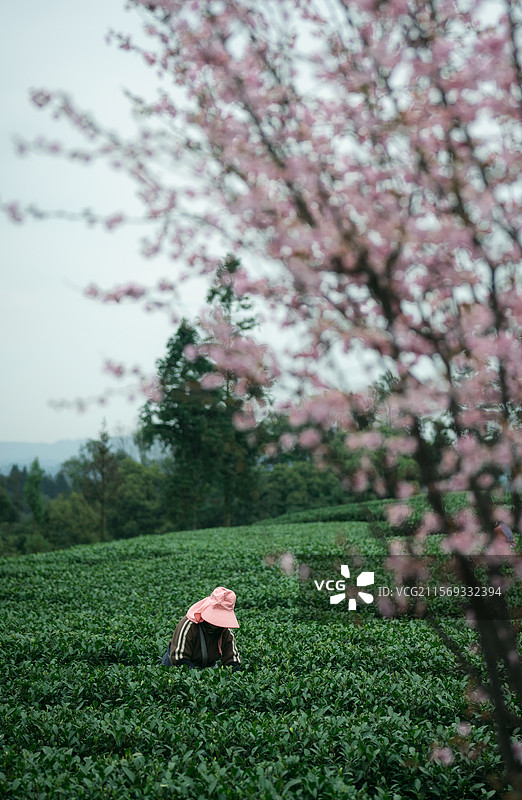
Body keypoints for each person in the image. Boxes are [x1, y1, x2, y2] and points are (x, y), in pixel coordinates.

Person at [161, 586, 242, 671]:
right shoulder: (189, 625)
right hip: (178, 668)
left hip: (206, 668)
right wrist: (198, 675)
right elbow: (179, 659)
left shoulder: (225, 631)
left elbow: (233, 660)